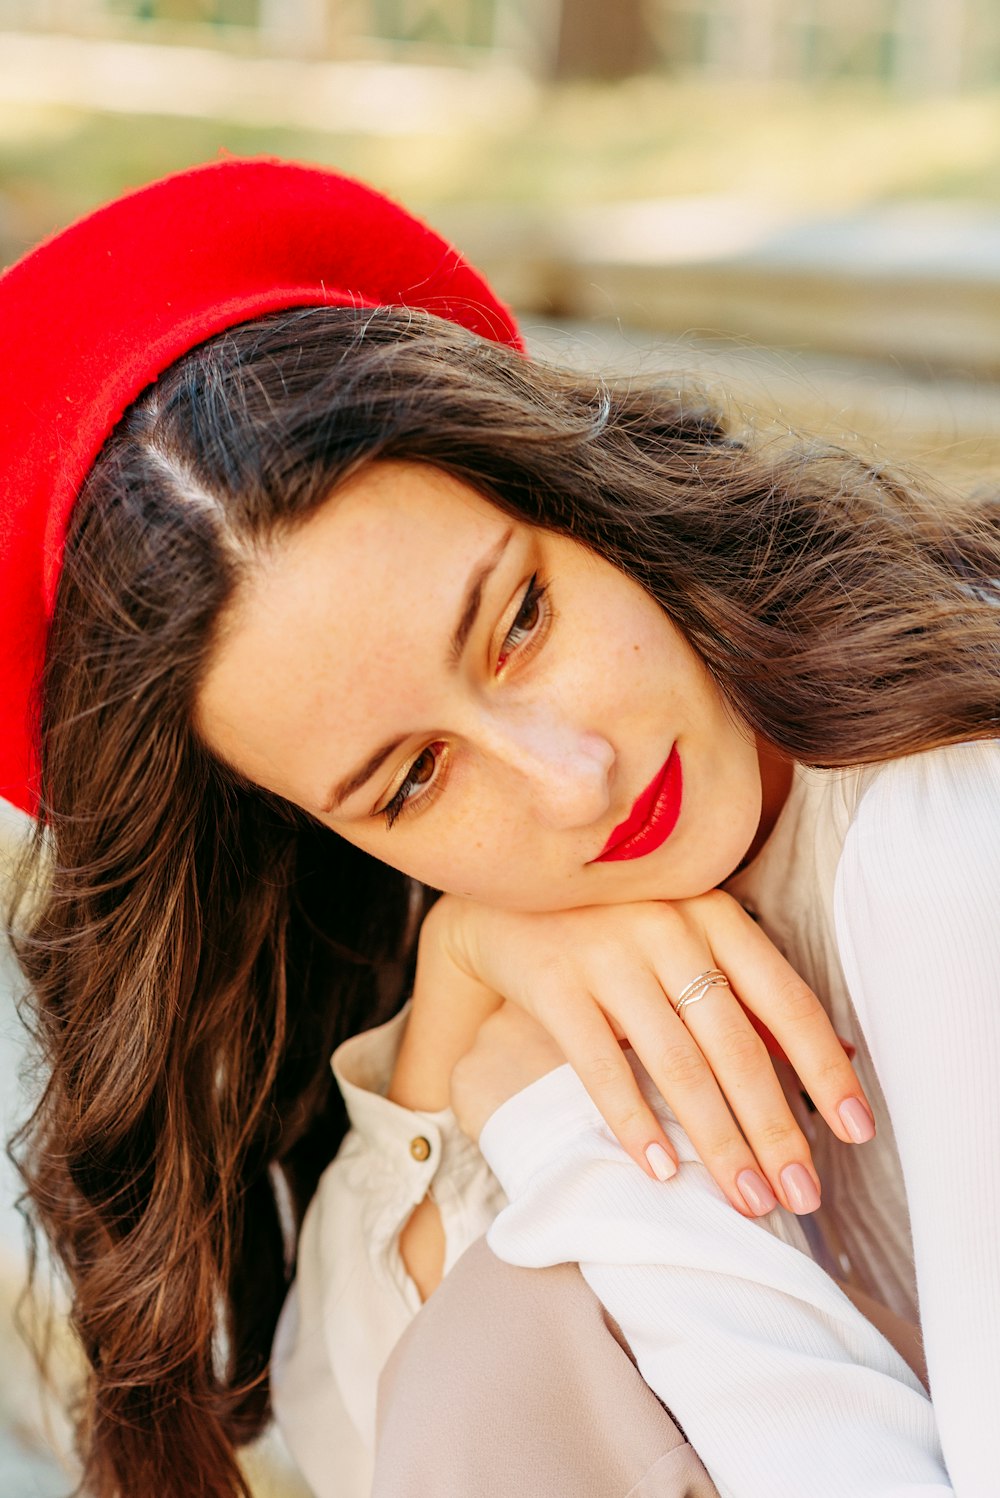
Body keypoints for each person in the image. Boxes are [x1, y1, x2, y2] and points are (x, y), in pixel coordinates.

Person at [0, 159, 996, 1498]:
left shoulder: (941, 821)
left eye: (522, 619)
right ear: (317, 834)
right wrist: (462, 992)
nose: (571, 778)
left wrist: (560, 1118)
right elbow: (354, 1424)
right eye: (412, 779)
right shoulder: (503, 931)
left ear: (572, 493)